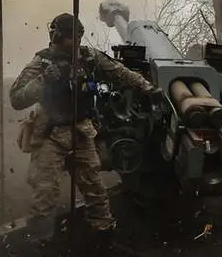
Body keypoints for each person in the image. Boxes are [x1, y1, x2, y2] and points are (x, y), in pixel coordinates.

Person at [10, 13, 162, 240]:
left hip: (81, 130)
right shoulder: (42, 62)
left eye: (79, 37)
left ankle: (103, 231)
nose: (76, 43)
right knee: (45, 192)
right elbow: (16, 99)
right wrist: (43, 81)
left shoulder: (89, 57)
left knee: (94, 187)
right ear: (57, 37)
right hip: (50, 133)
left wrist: (148, 88)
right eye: (70, 38)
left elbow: (120, 73)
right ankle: (40, 240)